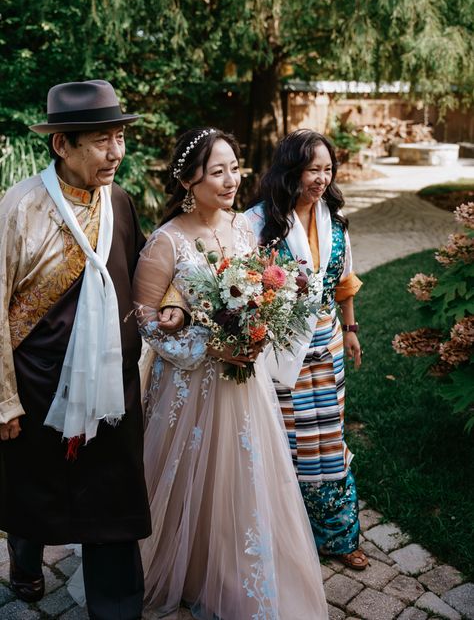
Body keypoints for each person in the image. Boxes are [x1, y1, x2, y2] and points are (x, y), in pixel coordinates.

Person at [0, 79, 184, 619]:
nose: (117, 152)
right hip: (35, 385)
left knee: (114, 501)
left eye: (120, 137)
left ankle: (117, 608)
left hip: (111, 387)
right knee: (31, 489)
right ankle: (26, 563)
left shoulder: (120, 203)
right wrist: (4, 399)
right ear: (62, 144)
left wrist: (173, 301)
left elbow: (145, 271)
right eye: (102, 140)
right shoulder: (18, 208)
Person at [133, 128, 328, 619]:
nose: (230, 180)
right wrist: (208, 345)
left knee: (242, 478)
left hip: (243, 384)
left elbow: (257, 291)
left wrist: (257, 331)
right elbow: (144, 321)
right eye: (216, 172)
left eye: (233, 167)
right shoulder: (166, 242)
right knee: (188, 481)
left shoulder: (243, 227)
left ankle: (233, 570)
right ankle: (186, 565)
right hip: (187, 384)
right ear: (188, 180)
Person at [246, 129, 368, 571]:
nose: (321, 178)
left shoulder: (333, 220)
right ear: (290, 170)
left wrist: (350, 328)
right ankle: (285, 537)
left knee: (328, 440)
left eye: (327, 169)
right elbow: (243, 287)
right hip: (280, 353)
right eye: (312, 169)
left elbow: (344, 279)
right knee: (288, 441)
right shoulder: (258, 221)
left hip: (327, 345)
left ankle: (338, 536)